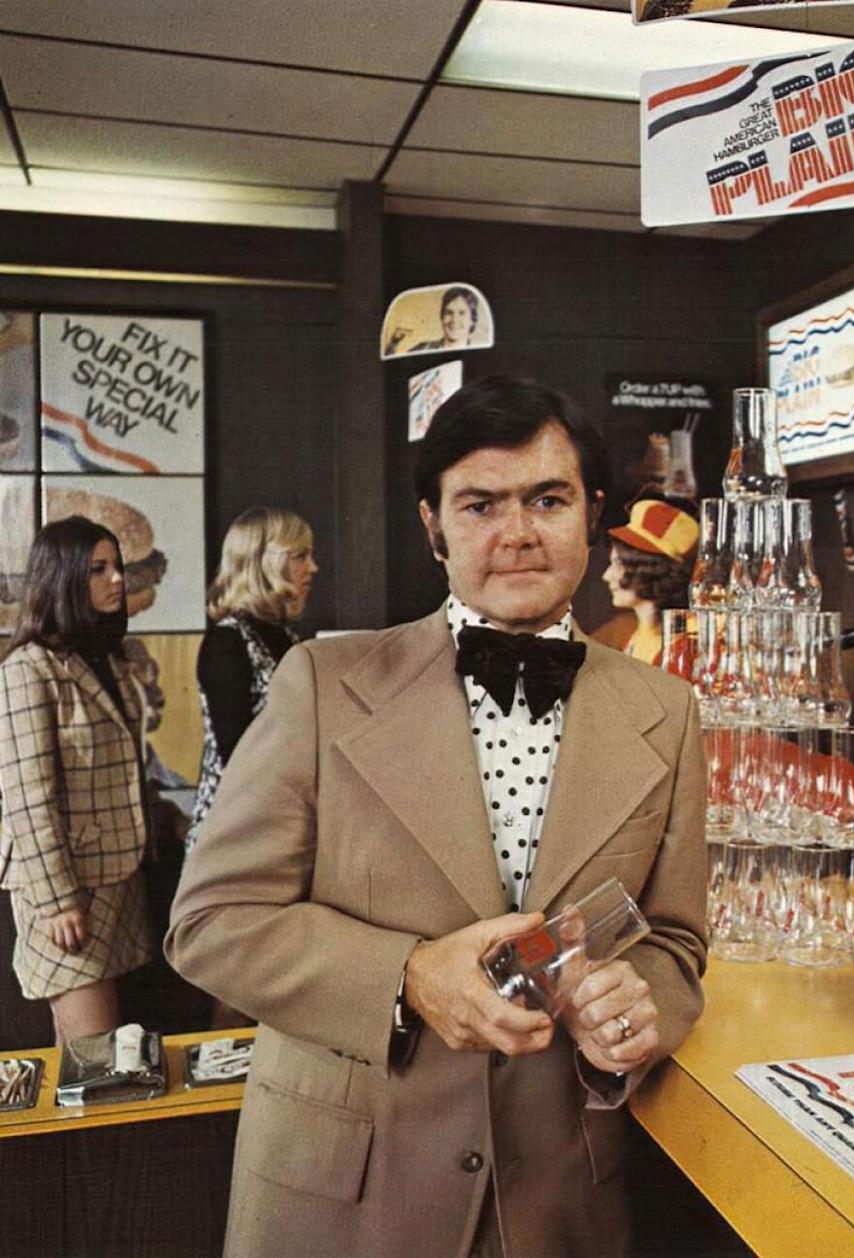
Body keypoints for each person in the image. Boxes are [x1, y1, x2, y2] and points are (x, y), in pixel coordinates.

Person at [166, 375, 707, 1258]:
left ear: (592, 511)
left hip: (560, 1195)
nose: (519, 533)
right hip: (345, 1197)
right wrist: (408, 977)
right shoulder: (322, 688)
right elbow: (209, 923)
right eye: (481, 505)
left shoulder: (669, 710)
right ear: (433, 526)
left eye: (548, 499)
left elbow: (677, 942)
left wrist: (641, 1003)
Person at [0, 516, 153, 1044]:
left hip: (116, 879)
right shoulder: (27, 670)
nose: (116, 580)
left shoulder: (108, 659)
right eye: (98, 569)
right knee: (98, 1051)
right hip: (68, 890)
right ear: (64, 577)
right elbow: (26, 799)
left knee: (93, 1063)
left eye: (118, 567)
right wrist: (56, 899)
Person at [184, 506, 317, 851]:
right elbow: (240, 755)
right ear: (265, 563)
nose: (313, 568)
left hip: (275, 824)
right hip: (235, 834)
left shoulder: (288, 638)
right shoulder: (228, 643)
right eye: (300, 556)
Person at [600, 497, 699, 665]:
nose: (606, 576)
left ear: (650, 569)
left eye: (618, 563)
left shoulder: (685, 644)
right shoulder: (636, 635)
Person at [386, 286, 480, 356]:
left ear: (473, 320)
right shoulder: (422, 349)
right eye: (449, 312)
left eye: (462, 313)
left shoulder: (478, 356)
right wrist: (393, 345)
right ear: (442, 317)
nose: (454, 319)